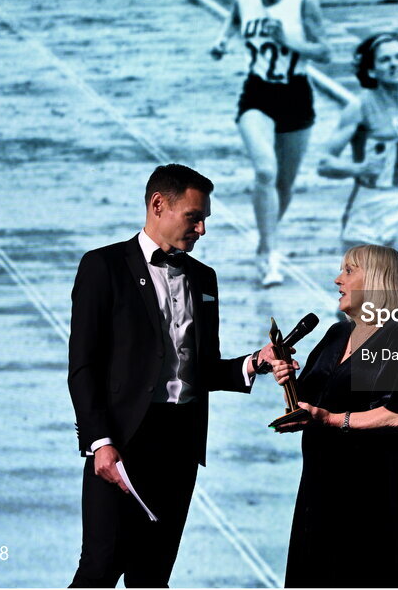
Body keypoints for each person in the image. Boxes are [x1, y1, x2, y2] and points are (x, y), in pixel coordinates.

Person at [67, 164, 292, 587]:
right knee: (98, 568)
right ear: (158, 205)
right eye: (194, 216)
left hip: (180, 445)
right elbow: (83, 366)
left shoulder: (204, 277)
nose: (203, 229)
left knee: (152, 576)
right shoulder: (104, 266)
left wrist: (253, 361)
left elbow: (204, 368)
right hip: (123, 444)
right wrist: (100, 442)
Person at [276, 244, 398, 587]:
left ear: (377, 281)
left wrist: (334, 420)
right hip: (320, 486)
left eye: (349, 271)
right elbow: (308, 402)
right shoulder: (337, 334)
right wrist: (287, 379)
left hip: (370, 492)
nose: (338, 279)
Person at [210, 0, 331, 287]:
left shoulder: (304, 2)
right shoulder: (244, 1)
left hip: (295, 93)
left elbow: (324, 52)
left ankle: (265, 242)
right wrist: (222, 43)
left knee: (284, 183)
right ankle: (271, 257)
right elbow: (232, 22)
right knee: (265, 170)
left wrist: (288, 41)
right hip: (257, 93)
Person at [317, 32, 398, 288]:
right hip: (369, 207)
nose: (394, 64)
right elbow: (324, 163)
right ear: (372, 70)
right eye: (385, 60)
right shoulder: (360, 106)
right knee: (358, 301)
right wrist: (358, 168)